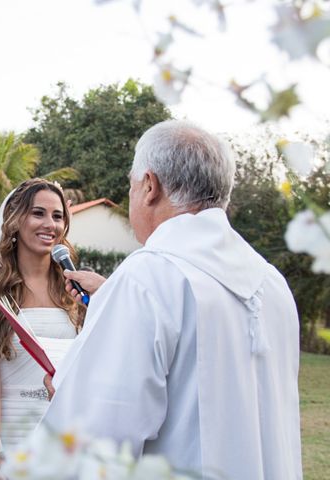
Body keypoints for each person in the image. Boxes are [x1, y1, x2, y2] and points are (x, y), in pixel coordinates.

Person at [42, 120, 302, 479]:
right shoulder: (272, 283)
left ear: (149, 186)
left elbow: (95, 439)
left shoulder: (147, 278)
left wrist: (68, 387)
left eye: (131, 186)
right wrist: (110, 299)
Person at [0, 179, 83, 468]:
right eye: (38, 213)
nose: (50, 224)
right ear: (16, 220)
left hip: (65, 435)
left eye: (58, 216)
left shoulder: (74, 291)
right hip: (12, 434)